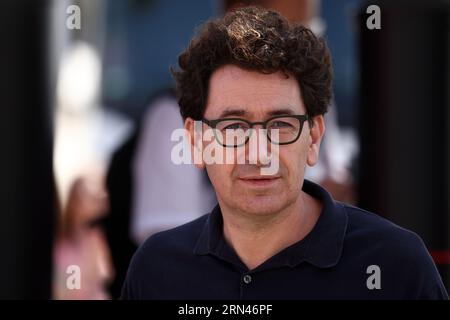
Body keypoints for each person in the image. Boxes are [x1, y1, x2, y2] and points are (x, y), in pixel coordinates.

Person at [121, 7, 448, 299]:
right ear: (195, 142)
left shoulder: (395, 267)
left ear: (315, 137)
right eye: (234, 127)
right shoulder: (157, 271)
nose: (260, 154)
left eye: (280, 125)